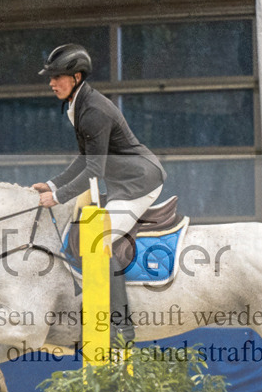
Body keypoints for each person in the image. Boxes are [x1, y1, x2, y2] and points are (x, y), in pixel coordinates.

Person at [31, 43, 166, 345]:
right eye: (50, 77)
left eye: (58, 77)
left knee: (96, 242)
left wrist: (59, 196)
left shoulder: (92, 111)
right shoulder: (77, 105)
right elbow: (85, 157)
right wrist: (53, 184)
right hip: (123, 181)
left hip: (139, 182)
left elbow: (95, 171)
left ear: (77, 77)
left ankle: (121, 331)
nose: (52, 83)